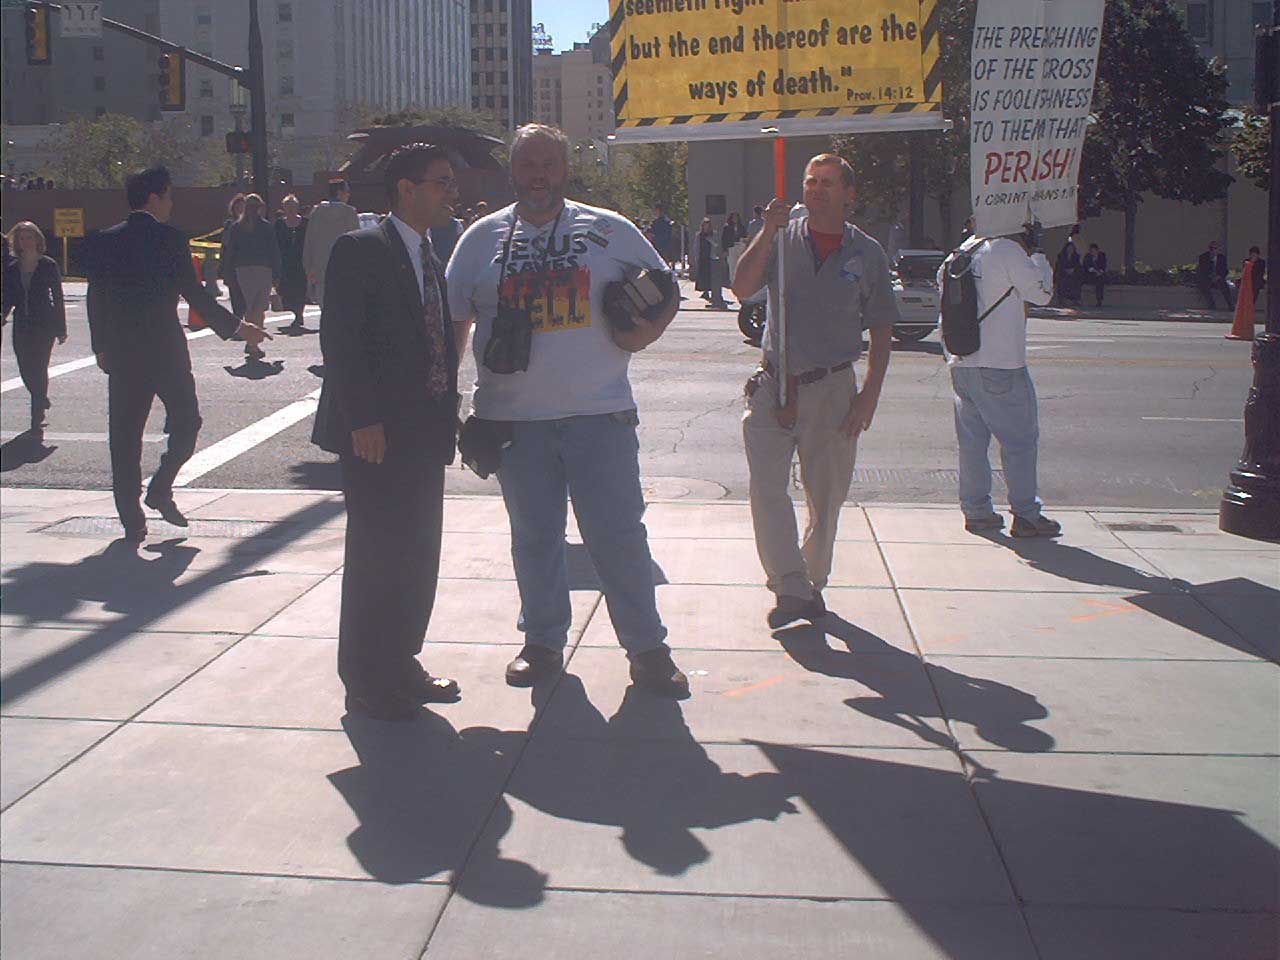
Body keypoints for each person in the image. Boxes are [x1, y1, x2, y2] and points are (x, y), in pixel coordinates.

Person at [446, 123, 686, 696]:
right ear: (513, 171)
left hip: (599, 415)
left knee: (619, 536)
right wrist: (447, 395)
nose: (538, 175)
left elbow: (666, 289)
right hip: (514, 421)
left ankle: (648, 649)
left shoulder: (608, 229)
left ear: (565, 169)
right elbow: (455, 321)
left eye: (548, 164)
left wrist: (642, 336)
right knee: (534, 538)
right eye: (527, 164)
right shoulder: (481, 239)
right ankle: (542, 643)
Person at [311, 143, 463, 723]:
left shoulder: (429, 251)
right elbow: (341, 343)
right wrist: (363, 421)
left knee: (418, 552)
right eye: (441, 181)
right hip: (375, 434)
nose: (450, 192)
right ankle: (366, 679)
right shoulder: (360, 249)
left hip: (423, 432)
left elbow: (436, 341)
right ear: (406, 187)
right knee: (377, 554)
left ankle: (402, 662)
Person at [732, 152, 898, 629]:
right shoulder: (781, 238)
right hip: (774, 384)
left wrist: (868, 397)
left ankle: (811, 580)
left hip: (832, 388)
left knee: (826, 497)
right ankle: (789, 585)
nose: (816, 190)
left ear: (849, 193)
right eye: (810, 181)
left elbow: (883, 329)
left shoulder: (866, 253)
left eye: (827, 182)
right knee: (767, 490)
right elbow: (742, 287)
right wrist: (767, 230)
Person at [82, 165, 268, 541]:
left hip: (123, 351)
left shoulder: (104, 240)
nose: (171, 203)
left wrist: (100, 345)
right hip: (165, 349)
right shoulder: (171, 239)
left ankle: (131, 515)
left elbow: (94, 298)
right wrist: (237, 327)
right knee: (187, 422)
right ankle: (161, 486)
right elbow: (195, 293)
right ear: (154, 197)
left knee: (124, 435)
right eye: (168, 196)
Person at [940, 221, 1060, 538]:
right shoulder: (1006, 250)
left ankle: (977, 511)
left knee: (972, 445)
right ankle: (1026, 515)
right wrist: (1038, 253)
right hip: (1001, 364)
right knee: (1019, 443)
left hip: (961, 363)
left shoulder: (958, 253)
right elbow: (1043, 294)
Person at [2, 221, 66, 435]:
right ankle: (40, 396)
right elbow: (9, 297)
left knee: (39, 366)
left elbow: (57, 297)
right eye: (22, 238)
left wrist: (61, 327)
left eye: (29, 237)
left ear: (37, 239)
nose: (25, 241)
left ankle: (37, 410)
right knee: (24, 366)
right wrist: (3, 315)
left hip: (44, 323)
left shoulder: (48, 265)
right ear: (17, 242)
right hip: (22, 321)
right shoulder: (12, 267)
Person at [220, 193, 280, 361]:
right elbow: (274, 251)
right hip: (263, 269)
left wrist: (227, 272)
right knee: (259, 307)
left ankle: (251, 341)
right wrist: (277, 273)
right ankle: (253, 344)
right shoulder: (266, 227)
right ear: (260, 208)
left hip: (243, 270)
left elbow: (230, 251)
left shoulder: (237, 227)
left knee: (249, 306)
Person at [302, 178, 359, 308]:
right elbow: (356, 244)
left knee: (326, 312)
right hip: (346, 272)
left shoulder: (316, 213)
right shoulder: (350, 213)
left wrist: (308, 268)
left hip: (321, 271)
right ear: (339, 193)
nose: (349, 194)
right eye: (347, 191)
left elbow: (309, 242)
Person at [274, 194, 308, 331]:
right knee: (286, 289)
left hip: (301, 261)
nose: (290, 209)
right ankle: (294, 310)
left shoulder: (305, 223)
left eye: (293, 206)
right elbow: (275, 243)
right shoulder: (279, 224)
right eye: (287, 207)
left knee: (300, 288)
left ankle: (299, 313)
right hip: (285, 262)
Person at [219, 194, 247, 320]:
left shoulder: (250, 224)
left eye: (242, 207)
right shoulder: (229, 224)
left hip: (247, 265)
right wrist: (222, 267)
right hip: (232, 265)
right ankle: (238, 320)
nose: (240, 210)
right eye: (237, 207)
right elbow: (224, 246)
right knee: (235, 296)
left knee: (246, 295)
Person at [694, 217, 727, 308]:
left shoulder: (714, 234)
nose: (707, 228)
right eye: (705, 226)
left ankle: (715, 295)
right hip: (702, 257)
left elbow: (717, 244)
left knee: (713, 277)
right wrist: (696, 258)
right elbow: (696, 247)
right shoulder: (699, 235)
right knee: (703, 276)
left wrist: (710, 240)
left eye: (708, 226)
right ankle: (706, 292)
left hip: (711, 258)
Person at [1196, 240, 1234, 310]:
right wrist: (1210, 276)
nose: (1213, 250)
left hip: (1218, 279)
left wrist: (1218, 276)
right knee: (1203, 286)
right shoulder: (1203, 257)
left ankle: (1231, 306)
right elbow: (1202, 271)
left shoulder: (1222, 258)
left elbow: (1225, 271)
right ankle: (1212, 306)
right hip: (1208, 279)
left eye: (1215, 248)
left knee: (1224, 285)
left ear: (1218, 249)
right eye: (1211, 248)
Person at [1054, 225, 1082, 306]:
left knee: (1076, 281)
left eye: (1072, 249)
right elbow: (1059, 266)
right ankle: (1061, 300)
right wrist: (1065, 270)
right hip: (1063, 274)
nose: (1070, 250)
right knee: (1063, 281)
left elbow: (1078, 266)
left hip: (1073, 274)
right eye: (1069, 248)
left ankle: (1075, 300)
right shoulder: (1061, 256)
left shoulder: (1076, 257)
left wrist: (1073, 270)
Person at [723, 212, 747, 283]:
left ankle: (740, 281)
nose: (735, 219)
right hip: (731, 247)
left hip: (740, 246)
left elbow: (745, 236)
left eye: (736, 217)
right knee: (732, 265)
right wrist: (725, 250)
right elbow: (724, 239)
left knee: (740, 264)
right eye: (734, 217)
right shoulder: (727, 227)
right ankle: (732, 281)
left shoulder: (742, 227)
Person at [1082, 242, 1107, 307]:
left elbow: (1103, 266)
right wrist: (1095, 271)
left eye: (1094, 251)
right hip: (1090, 275)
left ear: (1097, 250)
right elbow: (1087, 267)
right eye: (1091, 251)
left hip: (1100, 275)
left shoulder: (1102, 256)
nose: (1092, 252)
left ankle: (1099, 300)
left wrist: (1100, 272)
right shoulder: (1087, 257)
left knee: (1100, 281)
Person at [650, 204, 675, 268]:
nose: (654, 212)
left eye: (655, 210)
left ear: (658, 210)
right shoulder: (667, 221)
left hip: (661, 246)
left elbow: (653, 232)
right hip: (665, 246)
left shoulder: (659, 222)